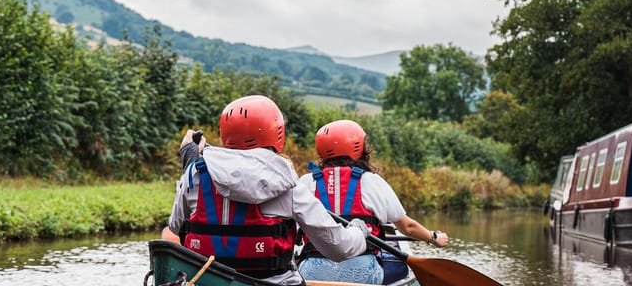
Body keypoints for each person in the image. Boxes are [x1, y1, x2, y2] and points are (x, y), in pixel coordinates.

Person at [162, 95, 370, 286]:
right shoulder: (290, 186)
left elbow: (175, 226)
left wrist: (190, 163)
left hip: (206, 281)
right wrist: (358, 231)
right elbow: (339, 249)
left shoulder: (195, 174)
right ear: (277, 133)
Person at [296, 119, 450, 284]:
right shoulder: (371, 181)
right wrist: (433, 237)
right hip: (363, 273)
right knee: (401, 267)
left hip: (312, 273)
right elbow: (407, 227)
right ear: (359, 148)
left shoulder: (305, 182)